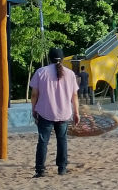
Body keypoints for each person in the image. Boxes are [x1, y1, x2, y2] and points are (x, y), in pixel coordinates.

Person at [29, 47, 80, 177]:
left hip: (45, 111)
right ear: (62, 59)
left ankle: (40, 170)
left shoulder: (41, 72)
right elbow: (74, 96)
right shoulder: (70, 74)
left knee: (43, 141)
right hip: (64, 111)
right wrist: (76, 112)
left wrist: (34, 109)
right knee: (62, 140)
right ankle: (62, 168)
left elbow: (34, 94)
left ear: (49, 58)